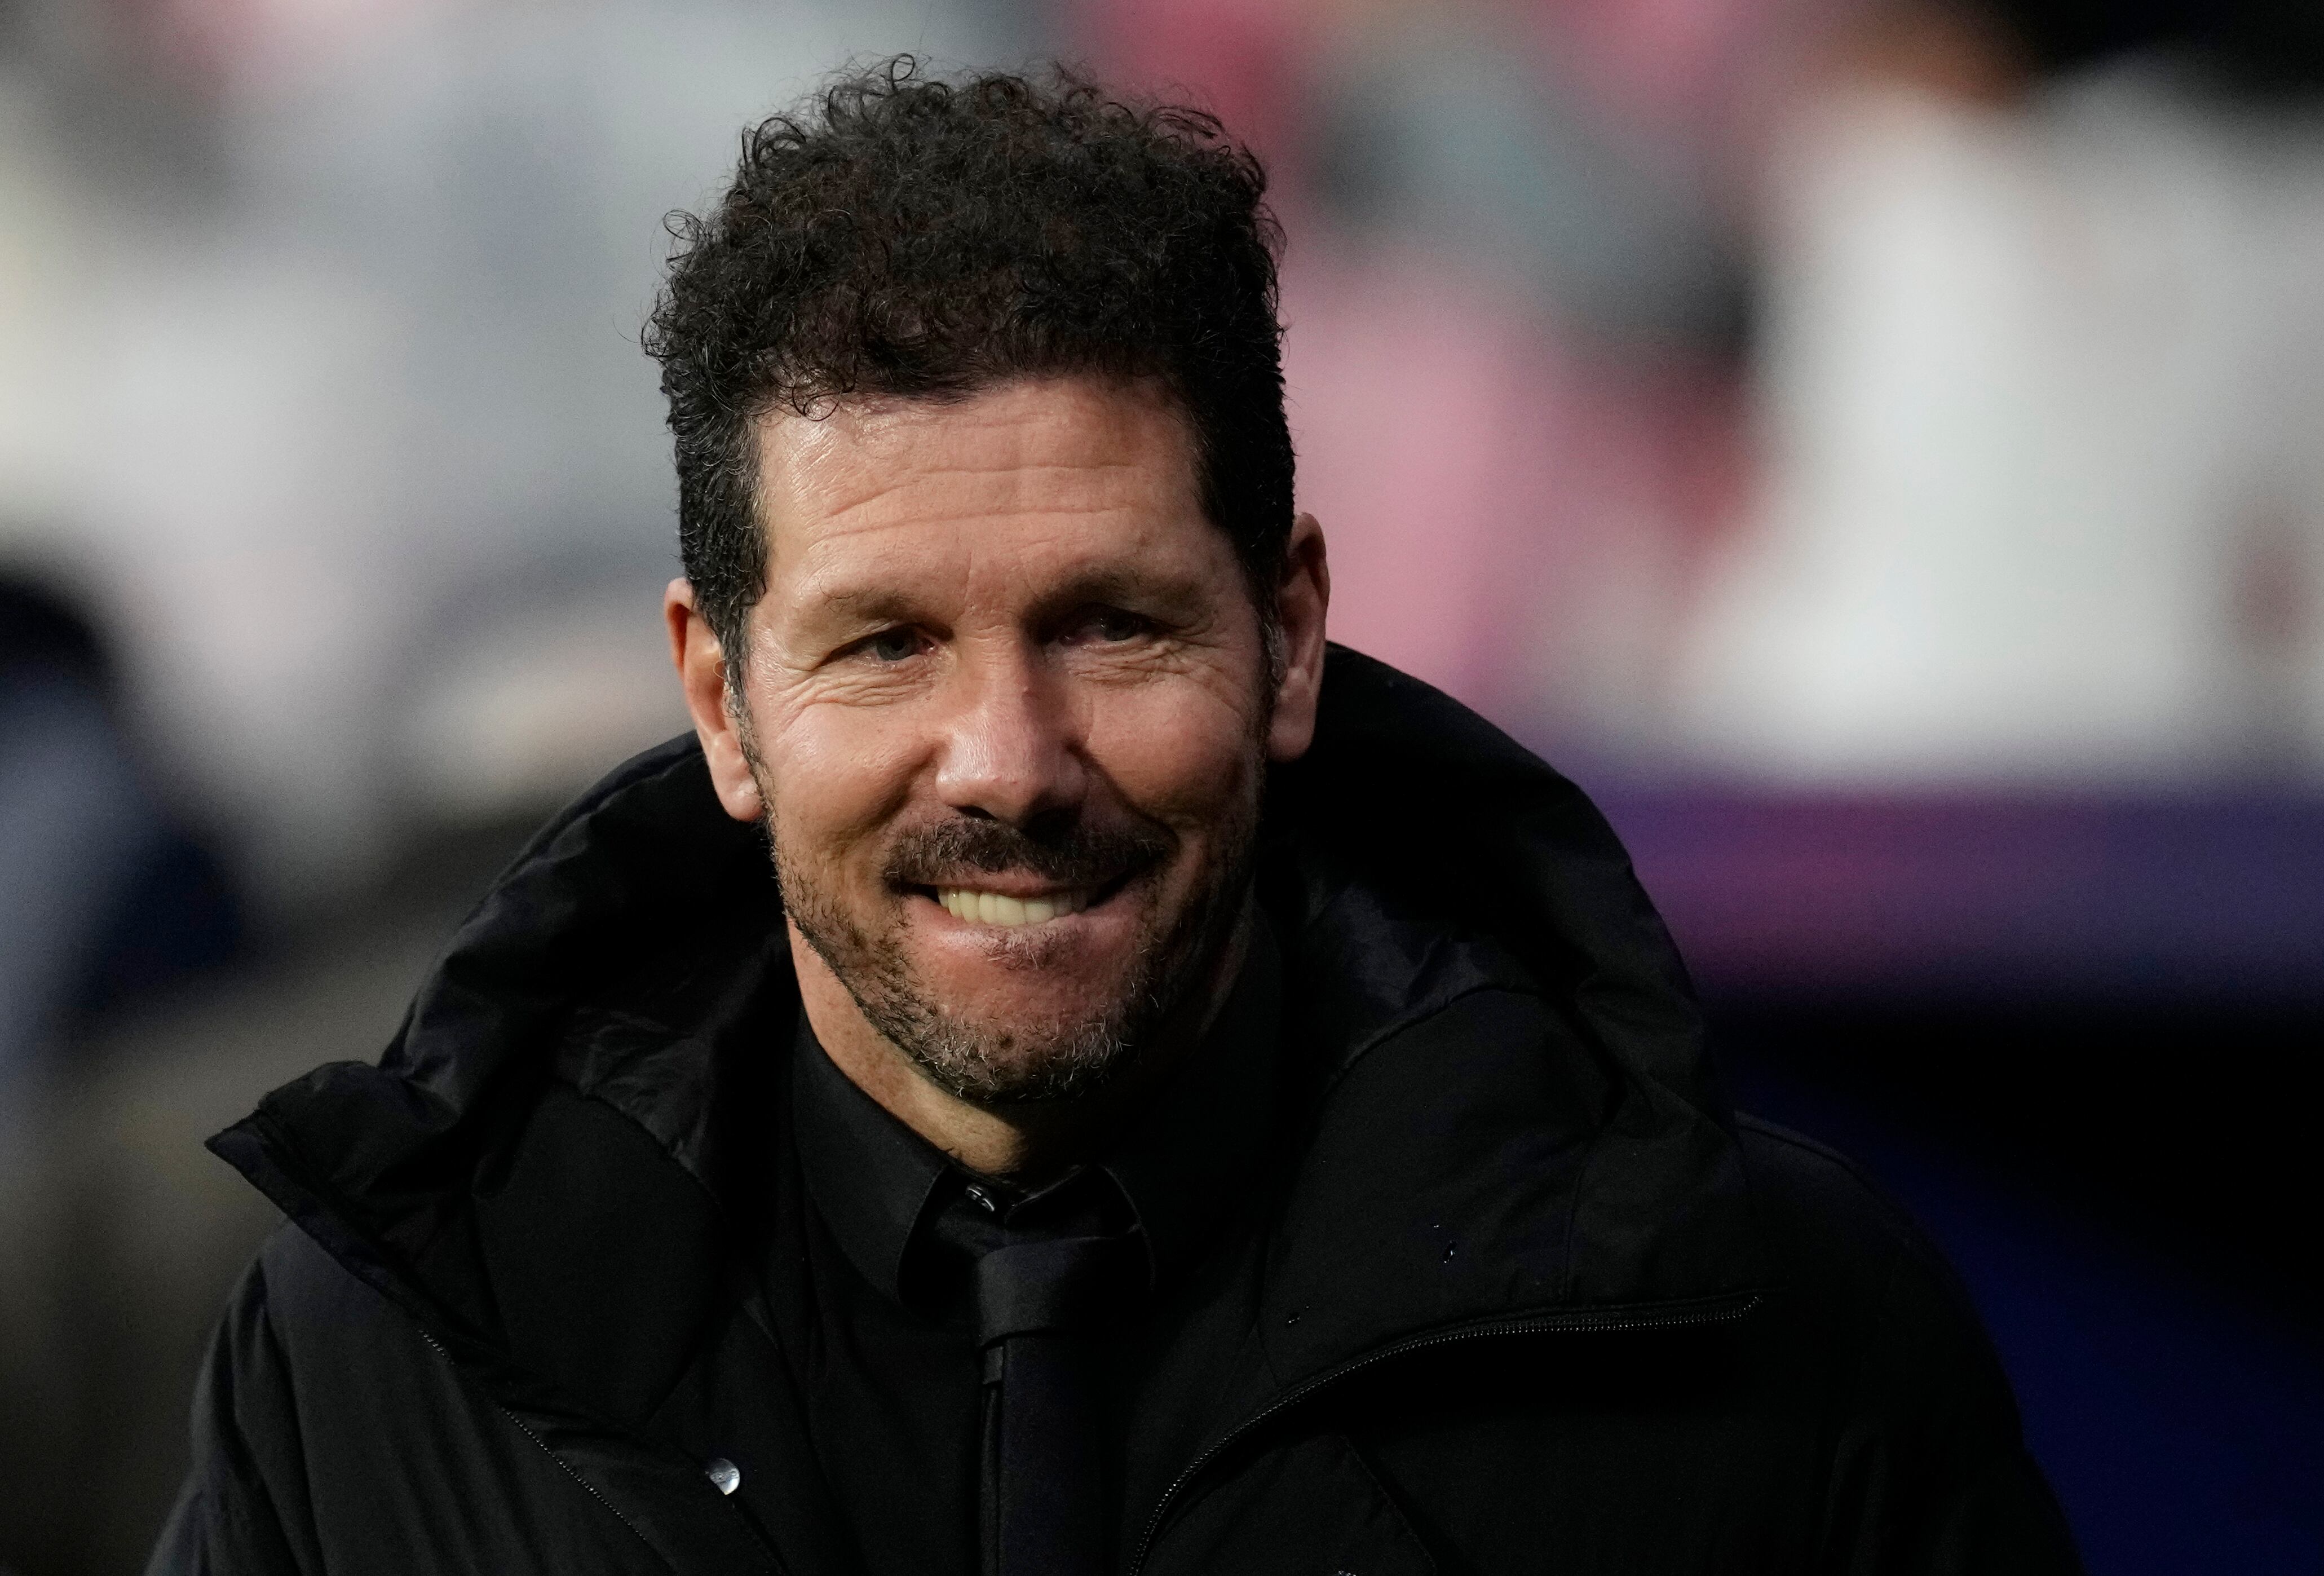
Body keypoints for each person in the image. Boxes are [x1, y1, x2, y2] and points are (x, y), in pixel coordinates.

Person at [149, 60, 2082, 1576]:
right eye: (886, 645)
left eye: (1112, 623)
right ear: (719, 699)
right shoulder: (374, 1364)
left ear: (1293, 632)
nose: (1006, 759)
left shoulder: (1768, 1332)